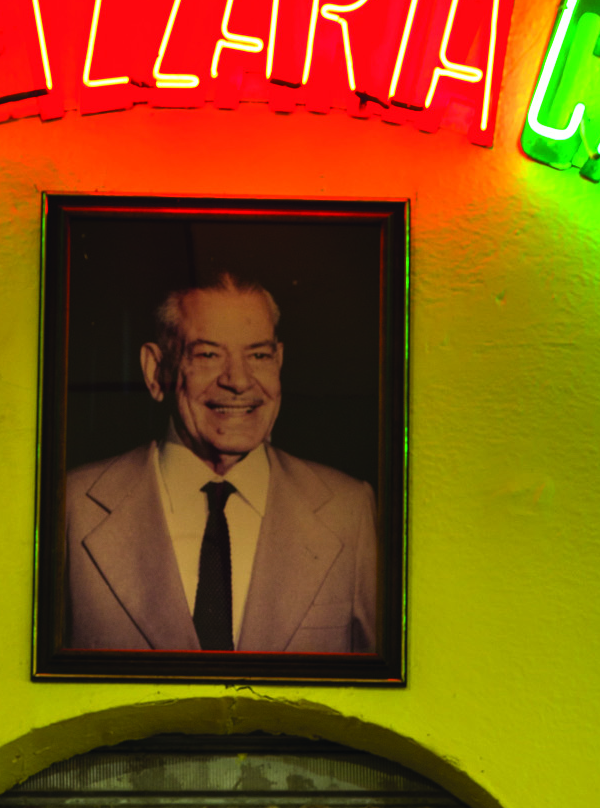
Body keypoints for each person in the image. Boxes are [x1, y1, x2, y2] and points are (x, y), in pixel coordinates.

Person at [64, 272, 379, 657]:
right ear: (155, 370)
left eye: (258, 355)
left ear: (279, 362)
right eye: (208, 354)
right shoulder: (71, 507)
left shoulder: (349, 510)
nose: (239, 381)